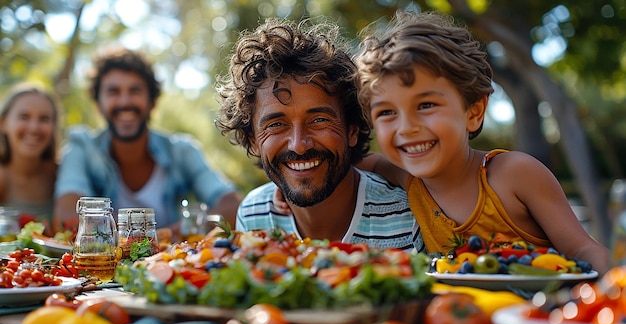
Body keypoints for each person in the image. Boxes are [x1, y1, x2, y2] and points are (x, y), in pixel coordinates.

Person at [353, 10, 609, 274]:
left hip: (541, 311)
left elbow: (582, 250)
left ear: (473, 112)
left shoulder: (514, 174)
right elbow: (346, 163)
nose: (406, 128)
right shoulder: (403, 177)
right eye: (386, 112)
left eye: (426, 105)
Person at [214, 18, 424, 252]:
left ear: (352, 130)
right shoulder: (255, 215)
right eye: (276, 125)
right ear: (254, 140)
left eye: (319, 120)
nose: (299, 145)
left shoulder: (409, 215)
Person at [53, 46, 242, 237]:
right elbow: (67, 218)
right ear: (98, 103)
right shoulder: (81, 147)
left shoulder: (181, 151)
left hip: (173, 264)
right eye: (113, 92)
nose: (124, 101)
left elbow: (233, 204)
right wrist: (146, 241)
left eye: (135, 91)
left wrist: (181, 231)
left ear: (152, 101)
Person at [0, 82, 60, 233]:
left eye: (44, 119)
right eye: (24, 117)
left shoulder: (61, 176)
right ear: (4, 123)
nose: (34, 128)